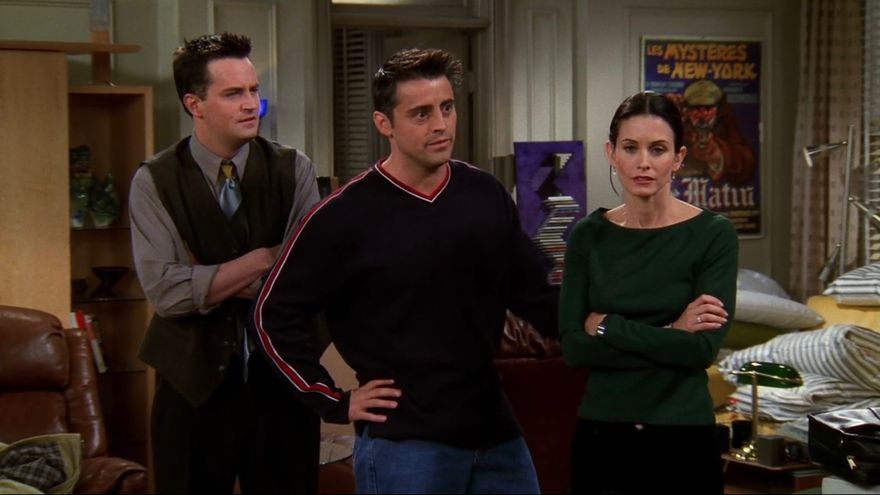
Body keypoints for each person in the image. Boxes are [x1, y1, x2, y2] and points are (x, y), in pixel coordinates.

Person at [249, 47, 558, 494]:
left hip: (495, 432)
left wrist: (606, 329)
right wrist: (332, 400)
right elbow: (271, 314)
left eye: (447, 108)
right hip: (405, 440)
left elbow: (537, 295)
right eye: (421, 114)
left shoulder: (483, 193)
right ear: (384, 124)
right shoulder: (344, 216)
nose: (441, 124)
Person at [129, 32, 322, 493]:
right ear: (194, 104)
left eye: (253, 90)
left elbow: (307, 278)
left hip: (283, 384)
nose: (251, 104)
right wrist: (263, 258)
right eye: (234, 93)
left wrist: (206, 279)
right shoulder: (154, 181)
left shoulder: (293, 168)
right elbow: (167, 293)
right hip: (191, 390)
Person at [559, 91, 737, 494]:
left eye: (657, 149)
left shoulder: (713, 235)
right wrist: (673, 331)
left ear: (678, 157)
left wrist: (608, 326)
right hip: (603, 434)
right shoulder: (589, 236)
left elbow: (701, 350)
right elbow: (573, 348)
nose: (643, 162)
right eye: (630, 148)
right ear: (611, 153)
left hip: (683, 435)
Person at [666, 79, 755, 184]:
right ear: (688, 110)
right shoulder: (681, 123)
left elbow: (746, 161)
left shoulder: (726, 123)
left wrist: (720, 154)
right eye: (696, 108)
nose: (702, 114)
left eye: (708, 109)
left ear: (717, 109)